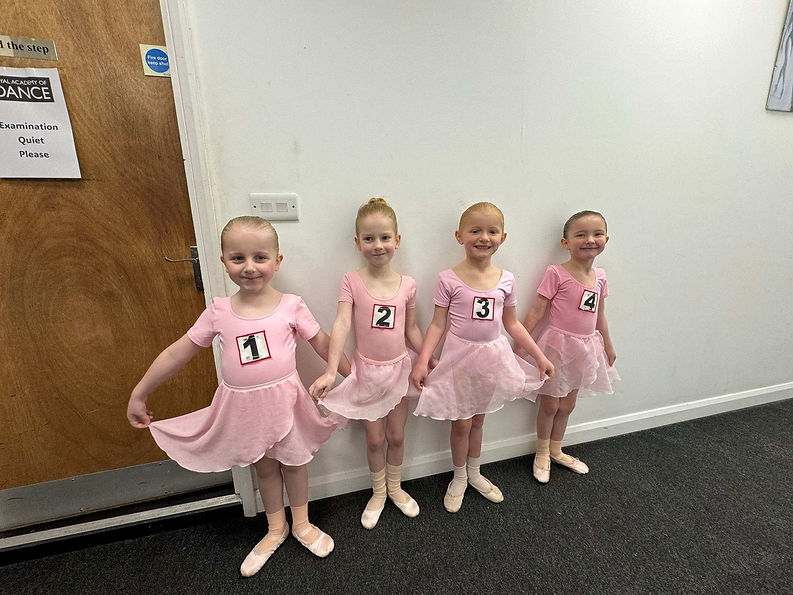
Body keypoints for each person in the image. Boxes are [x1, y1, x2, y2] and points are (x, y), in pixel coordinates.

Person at [126, 216, 350, 577]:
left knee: (294, 463)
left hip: (287, 402)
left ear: (278, 261)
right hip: (244, 409)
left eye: (260, 257)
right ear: (222, 261)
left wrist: (352, 376)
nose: (249, 267)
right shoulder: (218, 311)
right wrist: (141, 392)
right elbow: (177, 353)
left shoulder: (292, 305)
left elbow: (323, 342)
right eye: (238, 258)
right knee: (263, 466)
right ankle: (275, 528)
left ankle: (302, 524)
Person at [411, 202, 553, 513]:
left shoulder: (507, 280)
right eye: (475, 230)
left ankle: (475, 473)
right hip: (458, 359)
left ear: (503, 237)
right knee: (461, 424)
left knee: (479, 421)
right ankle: (459, 477)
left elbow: (512, 323)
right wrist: (423, 360)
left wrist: (539, 356)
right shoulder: (448, 278)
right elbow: (437, 324)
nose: (483, 237)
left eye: (492, 231)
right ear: (459, 235)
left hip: (492, 361)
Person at [309, 198, 428, 529]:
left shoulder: (408, 285)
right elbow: (342, 324)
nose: (379, 245)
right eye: (370, 238)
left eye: (385, 238)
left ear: (397, 241)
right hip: (367, 374)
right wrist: (332, 370)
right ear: (357, 242)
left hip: (399, 371)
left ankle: (396, 487)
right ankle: (378, 492)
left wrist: (431, 360)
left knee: (398, 436)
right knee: (375, 439)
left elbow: (412, 329)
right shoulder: (352, 280)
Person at [520, 210, 619, 484]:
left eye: (597, 234)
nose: (590, 240)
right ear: (566, 243)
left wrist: (608, 345)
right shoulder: (556, 273)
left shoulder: (600, 277)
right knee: (550, 404)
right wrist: (520, 344)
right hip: (557, 348)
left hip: (586, 349)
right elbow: (536, 312)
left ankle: (556, 449)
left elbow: (600, 314)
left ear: (606, 239)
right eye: (581, 235)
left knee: (569, 403)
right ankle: (541, 452)